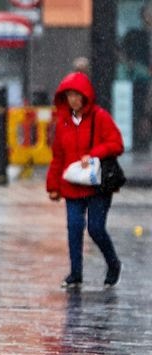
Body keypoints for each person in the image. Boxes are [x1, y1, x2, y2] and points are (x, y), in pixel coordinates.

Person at [46, 72, 124, 290]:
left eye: (77, 95)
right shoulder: (63, 123)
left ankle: (113, 264)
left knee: (96, 229)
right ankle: (76, 273)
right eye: (69, 95)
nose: (73, 100)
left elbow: (116, 143)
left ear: (85, 96)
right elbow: (58, 157)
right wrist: (53, 186)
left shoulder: (100, 117)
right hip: (72, 186)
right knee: (74, 227)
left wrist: (95, 153)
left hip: (97, 185)